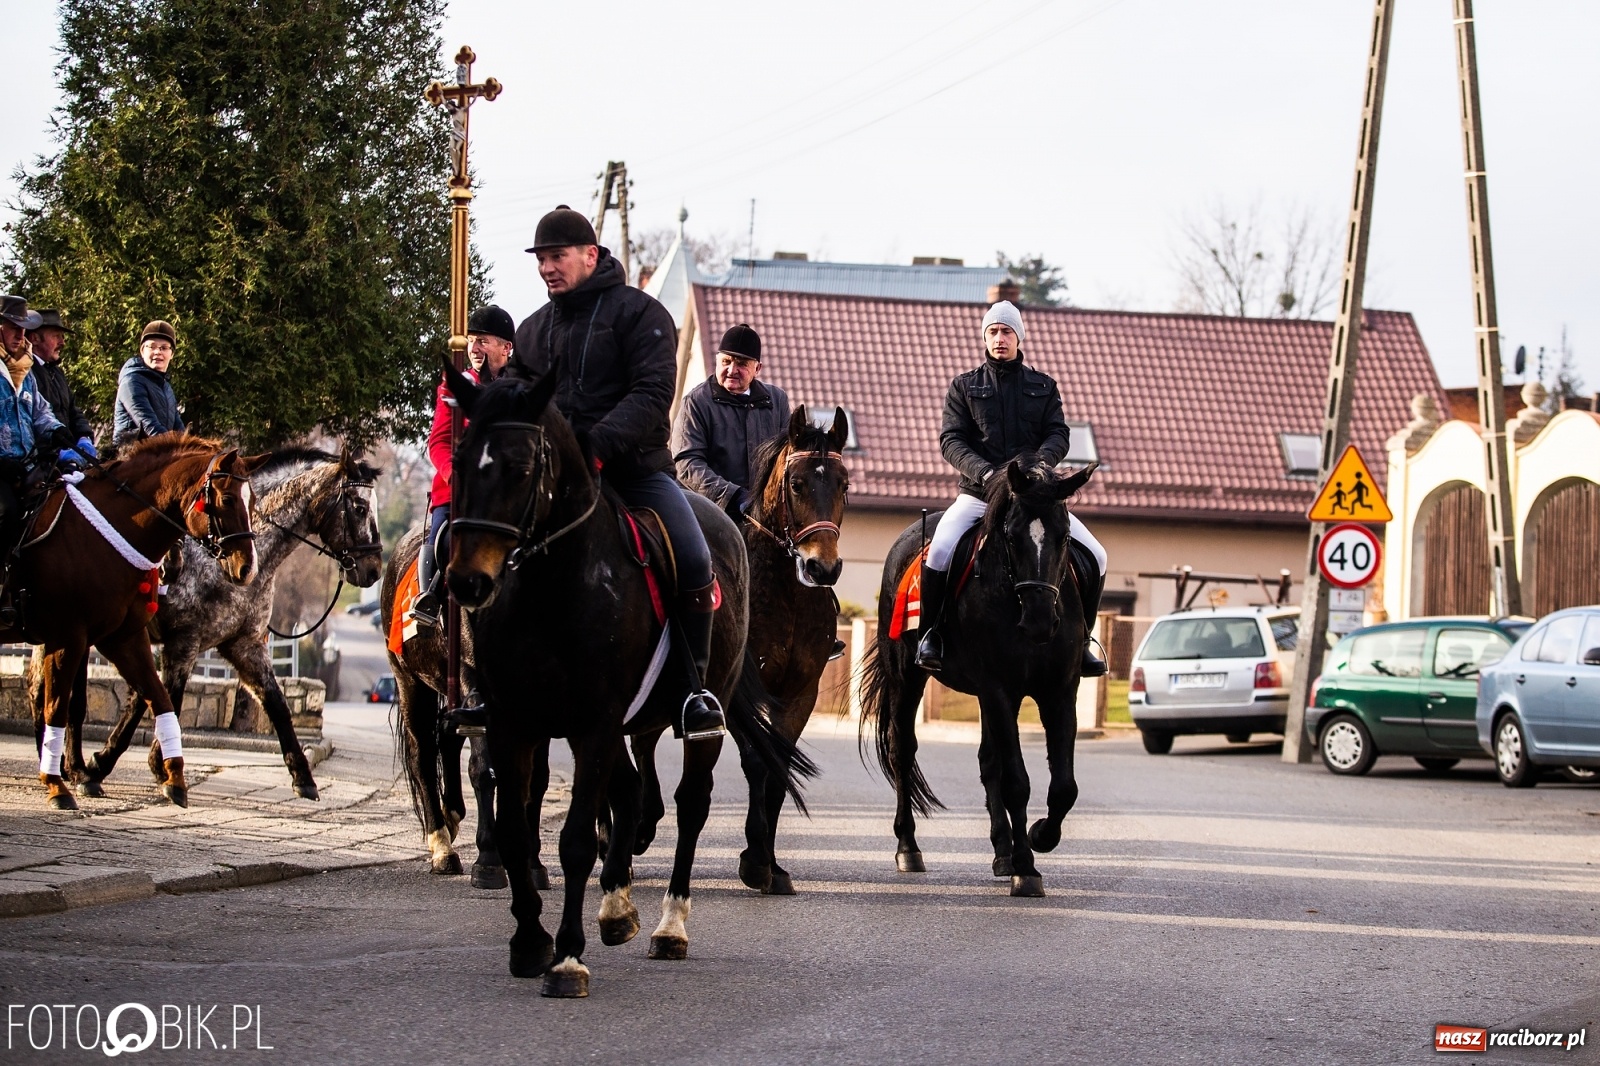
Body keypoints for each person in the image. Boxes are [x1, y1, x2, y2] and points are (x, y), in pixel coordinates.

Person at [511, 205, 725, 740]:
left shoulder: (642, 314)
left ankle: (693, 690)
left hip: (635, 474)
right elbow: (517, 401)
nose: (547, 268)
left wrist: (595, 447)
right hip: (552, 481)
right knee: (488, 547)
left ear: (590, 254)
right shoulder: (531, 332)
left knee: (695, 558)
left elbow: (653, 394)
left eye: (556, 257)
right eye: (540, 259)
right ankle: (487, 682)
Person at [915, 300, 1108, 676]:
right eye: (992, 332)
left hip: (1034, 497)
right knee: (939, 551)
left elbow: (1058, 433)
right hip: (979, 494)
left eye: (1006, 331)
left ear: (1019, 337)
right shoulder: (964, 386)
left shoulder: (1044, 386)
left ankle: (1084, 641)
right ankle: (931, 635)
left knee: (1097, 556)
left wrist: (1040, 467)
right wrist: (987, 475)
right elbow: (951, 440)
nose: (999, 338)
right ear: (984, 338)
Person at [410, 304, 516, 628]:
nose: (474, 348)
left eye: (482, 341)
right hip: (457, 489)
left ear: (506, 348)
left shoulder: (520, 385)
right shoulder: (455, 381)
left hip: (507, 491)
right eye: (471, 341)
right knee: (442, 538)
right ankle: (429, 598)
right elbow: (438, 441)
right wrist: (454, 476)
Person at [0, 296, 73, 622]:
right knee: (6, 512)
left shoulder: (26, 371)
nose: (21, 335)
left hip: (27, 464)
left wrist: (57, 431)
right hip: (1, 468)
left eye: (23, 329)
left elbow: (40, 412)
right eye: (14, 328)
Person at [672, 323, 790, 518]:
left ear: (757, 368)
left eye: (741, 364)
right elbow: (687, 464)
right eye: (726, 361)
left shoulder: (777, 401)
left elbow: (788, 457)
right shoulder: (696, 402)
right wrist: (733, 496)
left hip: (763, 516)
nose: (731, 370)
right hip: (707, 513)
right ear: (717, 361)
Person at [26, 310, 97, 469]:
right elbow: (30, 421)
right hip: (41, 463)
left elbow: (73, 410)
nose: (62, 342)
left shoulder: (56, 372)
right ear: (35, 339)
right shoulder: (25, 373)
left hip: (67, 457)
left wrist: (84, 436)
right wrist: (56, 453)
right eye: (56, 336)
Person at [113, 320, 185, 447]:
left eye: (164, 348)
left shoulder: (166, 388)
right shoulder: (131, 382)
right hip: (130, 453)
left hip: (159, 452)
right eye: (152, 347)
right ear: (142, 351)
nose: (158, 352)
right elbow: (149, 427)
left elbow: (179, 430)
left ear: (172, 354)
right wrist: (179, 448)